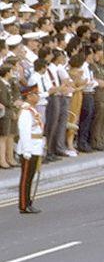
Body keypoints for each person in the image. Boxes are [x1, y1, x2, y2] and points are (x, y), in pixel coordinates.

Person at [17, 84, 45, 214]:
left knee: (30, 177)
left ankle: (28, 202)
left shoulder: (32, 110)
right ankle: (24, 205)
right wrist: (27, 150)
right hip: (29, 148)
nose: (38, 96)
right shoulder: (26, 112)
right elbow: (24, 132)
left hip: (35, 147)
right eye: (35, 94)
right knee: (26, 179)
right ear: (28, 96)